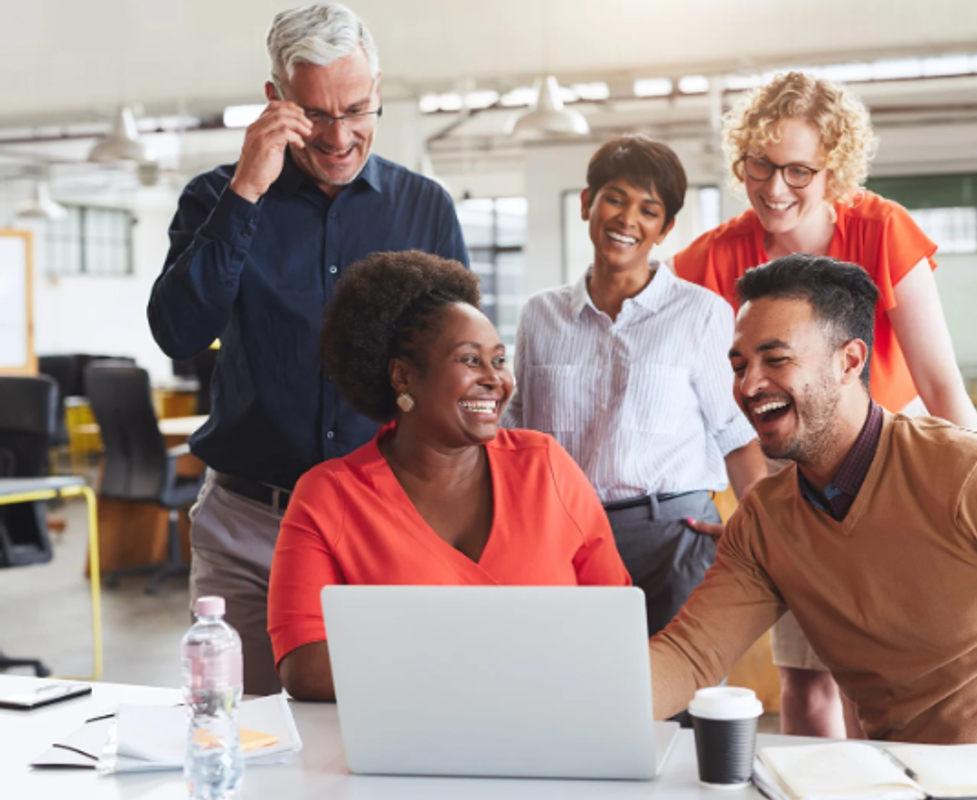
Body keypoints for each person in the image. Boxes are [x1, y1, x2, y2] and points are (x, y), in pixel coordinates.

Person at [650, 254, 977, 756]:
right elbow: (690, 656)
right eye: (739, 365)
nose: (748, 385)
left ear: (850, 361)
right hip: (902, 778)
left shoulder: (970, 472)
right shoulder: (764, 522)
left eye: (775, 359)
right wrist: (579, 708)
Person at [147, 3, 467, 696]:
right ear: (275, 101)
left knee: (387, 729)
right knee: (247, 733)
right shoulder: (215, 199)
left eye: (357, 109)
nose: (340, 136)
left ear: (378, 88)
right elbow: (177, 332)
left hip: (383, 521)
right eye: (315, 115)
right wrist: (247, 193)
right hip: (248, 529)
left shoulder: (424, 209)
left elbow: (457, 369)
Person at [673, 71, 977, 736]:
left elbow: (941, 386)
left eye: (798, 170)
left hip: (885, 462)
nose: (774, 188)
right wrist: (728, 499)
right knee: (804, 686)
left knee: (874, 681)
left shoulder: (883, 232)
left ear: (834, 166)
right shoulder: (709, 257)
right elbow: (686, 390)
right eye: (759, 164)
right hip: (782, 472)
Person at [268, 251, 631, 701]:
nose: (494, 380)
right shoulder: (329, 495)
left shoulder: (545, 466)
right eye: (469, 360)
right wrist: (506, 662)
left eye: (498, 360)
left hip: (551, 729)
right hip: (401, 751)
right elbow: (305, 665)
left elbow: (615, 621)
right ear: (403, 377)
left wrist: (417, 659)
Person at [502, 135, 767, 643]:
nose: (628, 220)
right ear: (587, 204)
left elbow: (735, 434)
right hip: (565, 539)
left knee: (682, 703)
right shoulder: (540, 315)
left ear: (665, 229)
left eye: (649, 210)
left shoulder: (701, 313)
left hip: (673, 538)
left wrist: (757, 533)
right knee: (576, 694)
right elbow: (516, 433)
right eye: (616, 199)